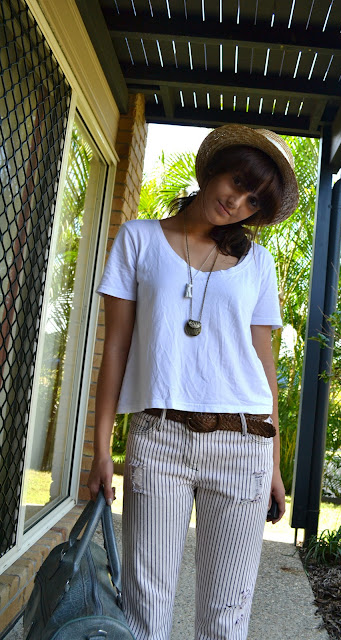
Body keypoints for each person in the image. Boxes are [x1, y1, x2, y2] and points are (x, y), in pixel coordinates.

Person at [88, 124, 299, 640]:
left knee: (226, 618)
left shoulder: (258, 263)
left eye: (254, 200)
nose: (238, 202)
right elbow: (115, 349)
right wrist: (100, 450)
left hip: (244, 442)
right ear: (213, 171)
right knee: (143, 611)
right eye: (237, 183)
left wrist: (274, 464)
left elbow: (263, 361)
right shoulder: (137, 239)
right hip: (160, 438)